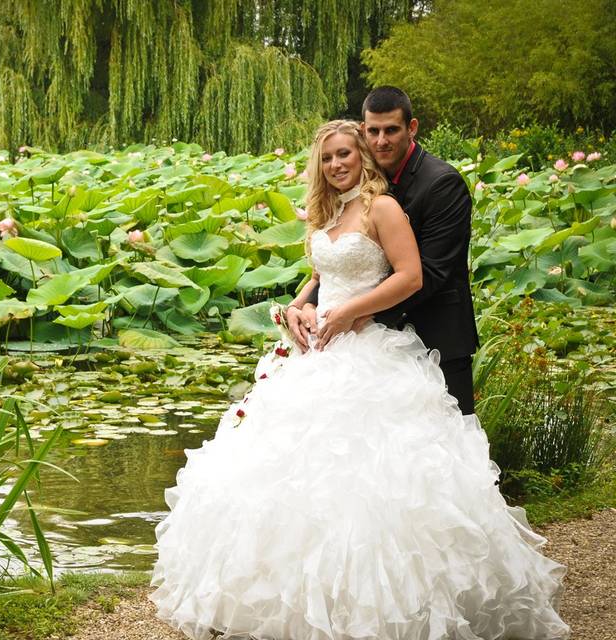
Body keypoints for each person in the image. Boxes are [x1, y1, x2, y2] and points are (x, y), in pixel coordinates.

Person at [149, 120, 569, 640]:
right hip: (315, 352)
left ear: (363, 155)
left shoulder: (382, 207)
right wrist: (297, 309)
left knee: (370, 483)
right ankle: (294, 602)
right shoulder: (332, 211)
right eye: (327, 158)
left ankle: (384, 611)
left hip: (368, 352)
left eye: (345, 153)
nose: (336, 164)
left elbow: (409, 275)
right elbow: (325, 275)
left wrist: (350, 314)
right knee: (291, 478)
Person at [291, 86, 478, 415]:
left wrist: (357, 314)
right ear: (363, 132)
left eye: (391, 130)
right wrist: (305, 306)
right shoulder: (351, 193)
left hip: (435, 335)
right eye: (373, 132)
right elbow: (339, 267)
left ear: (412, 128)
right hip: (355, 340)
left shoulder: (442, 184)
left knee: (445, 443)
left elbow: (429, 273)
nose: (381, 141)